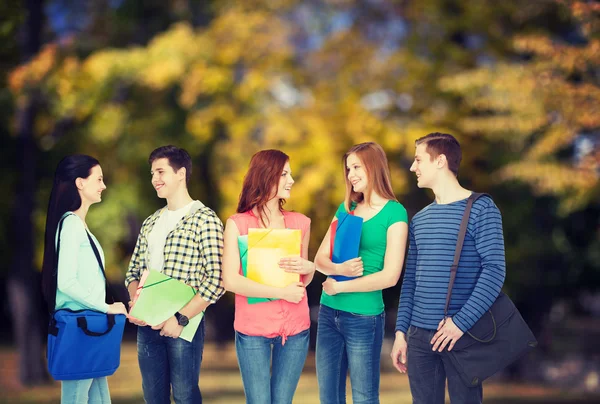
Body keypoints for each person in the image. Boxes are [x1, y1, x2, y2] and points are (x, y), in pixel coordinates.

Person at [391, 132, 506, 404]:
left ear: (440, 160)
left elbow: (494, 271)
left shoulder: (482, 208)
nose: (413, 167)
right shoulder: (419, 219)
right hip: (419, 338)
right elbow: (411, 281)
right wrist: (400, 332)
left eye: (418, 160)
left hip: (461, 335)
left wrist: (460, 323)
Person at [124, 145, 224, 404]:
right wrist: (138, 304)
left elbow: (216, 280)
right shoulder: (151, 222)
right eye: (152, 173)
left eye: (160, 172)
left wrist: (179, 319)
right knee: (153, 397)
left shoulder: (205, 219)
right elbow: (132, 272)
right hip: (147, 327)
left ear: (181, 174)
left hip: (184, 325)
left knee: (185, 396)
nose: (154, 179)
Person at [314, 142, 408, 404]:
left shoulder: (395, 213)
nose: (351, 174)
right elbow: (319, 258)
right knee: (329, 397)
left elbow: (391, 275)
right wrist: (338, 270)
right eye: (348, 169)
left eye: (356, 167)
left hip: (364, 318)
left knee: (365, 397)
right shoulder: (346, 208)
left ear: (374, 166)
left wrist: (341, 285)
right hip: (329, 312)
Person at [222, 149, 315, 404]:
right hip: (253, 329)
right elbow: (230, 280)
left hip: (295, 327)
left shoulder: (300, 223)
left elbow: (302, 280)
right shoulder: (237, 224)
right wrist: (281, 293)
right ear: (266, 177)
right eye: (285, 174)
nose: (292, 180)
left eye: (290, 174)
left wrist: (310, 269)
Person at [41, 155, 128, 404]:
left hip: (88, 331)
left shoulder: (79, 225)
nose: (103, 185)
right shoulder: (71, 225)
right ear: (80, 183)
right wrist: (107, 307)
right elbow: (66, 282)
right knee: (76, 398)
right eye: (98, 179)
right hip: (81, 329)